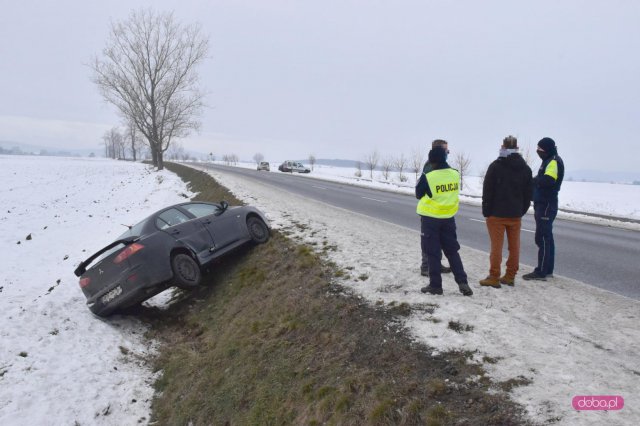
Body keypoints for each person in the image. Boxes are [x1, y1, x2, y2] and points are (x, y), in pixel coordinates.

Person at [415, 144, 473, 296]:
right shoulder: (455, 173)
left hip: (431, 219)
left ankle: (435, 285)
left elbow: (418, 193)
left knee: (433, 253)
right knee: (452, 251)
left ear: (431, 160)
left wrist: (425, 174)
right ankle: (463, 283)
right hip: (448, 218)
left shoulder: (429, 176)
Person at [479, 136, 533, 288]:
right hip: (515, 214)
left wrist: (486, 211)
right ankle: (510, 276)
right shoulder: (525, 168)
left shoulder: (496, 166)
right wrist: (521, 210)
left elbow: (487, 190)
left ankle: (494, 276)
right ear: (517, 147)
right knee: (514, 246)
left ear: (502, 146)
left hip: (496, 214)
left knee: (496, 247)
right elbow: (528, 194)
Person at [523, 137, 564, 281]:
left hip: (547, 204)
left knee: (543, 237)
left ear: (546, 149)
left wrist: (533, 182)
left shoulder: (553, 161)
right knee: (546, 238)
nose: (538, 151)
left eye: (540, 149)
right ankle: (547, 270)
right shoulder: (548, 161)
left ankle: (542, 271)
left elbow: (549, 180)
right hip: (543, 203)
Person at [420, 139, 452, 277]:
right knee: (428, 240)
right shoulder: (430, 166)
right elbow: (422, 189)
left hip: (438, 211)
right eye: (446, 150)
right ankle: (426, 266)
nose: (448, 153)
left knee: (437, 241)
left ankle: (436, 264)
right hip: (429, 211)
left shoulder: (439, 164)